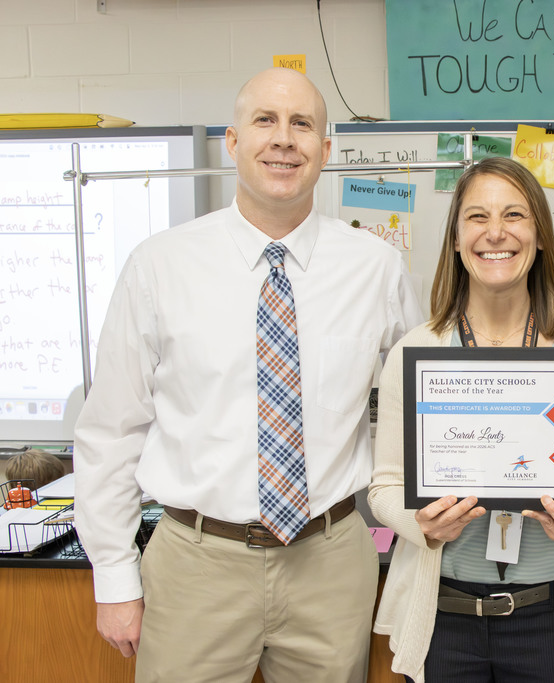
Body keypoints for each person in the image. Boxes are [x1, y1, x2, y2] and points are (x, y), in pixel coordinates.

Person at [73, 67, 422, 683]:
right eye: (265, 120)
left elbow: (420, 410)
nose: (284, 139)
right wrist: (114, 576)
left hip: (332, 561)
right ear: (232, 141)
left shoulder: (377, 269)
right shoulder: (159, 266)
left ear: (326, 150)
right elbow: (111, 431)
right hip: (194, 565)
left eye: (302, 124)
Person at [369, 156, 554, 683]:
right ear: (457, 240)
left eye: (514, 215)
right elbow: (384, 488)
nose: (496, 233)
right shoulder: (416, 353)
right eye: (477, 217)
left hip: (551, 617)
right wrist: (417, 522)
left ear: (540, 236)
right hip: (445, 619)